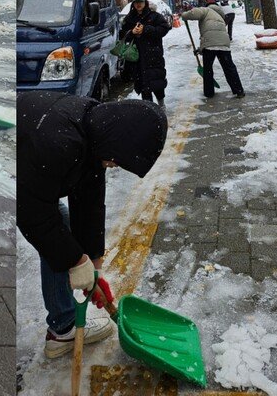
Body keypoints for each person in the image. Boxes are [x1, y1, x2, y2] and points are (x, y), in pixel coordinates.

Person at [17, 91, 168, 358]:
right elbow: (32, 214)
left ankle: (62, 325)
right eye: (117, 160)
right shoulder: (58, 142)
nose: (113, 165)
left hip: (29, 161)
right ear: (117, 142)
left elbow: (89, 202)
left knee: (59, 230)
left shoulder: (94, 130)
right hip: (8, 163)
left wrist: (94, 265)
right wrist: (75, 261)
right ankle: (63, 330)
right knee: (55, 226)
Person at [182, 0, 245, 99]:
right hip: (224, 45)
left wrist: (184, 15)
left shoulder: (206, 10)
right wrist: (200, 49)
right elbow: (215, 36)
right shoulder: (221, 16)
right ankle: (239, 90)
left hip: (210, 45)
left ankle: (209, 93)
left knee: (208, 69)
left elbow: (194, 13)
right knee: (229, 68)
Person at [119, 0, 170, 106]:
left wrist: (146, 29)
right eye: (136, 2)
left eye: (141, 2)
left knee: (157, 83)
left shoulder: (155, 16)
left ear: (145, 3)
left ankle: (161, 105)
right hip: (137, 58)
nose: (138, 4)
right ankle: (149, 110)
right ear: (133, 3)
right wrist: (132, 32)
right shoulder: (129, 18)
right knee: (143, 86)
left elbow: (164, 29)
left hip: (153, 56)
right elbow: (121, 34)